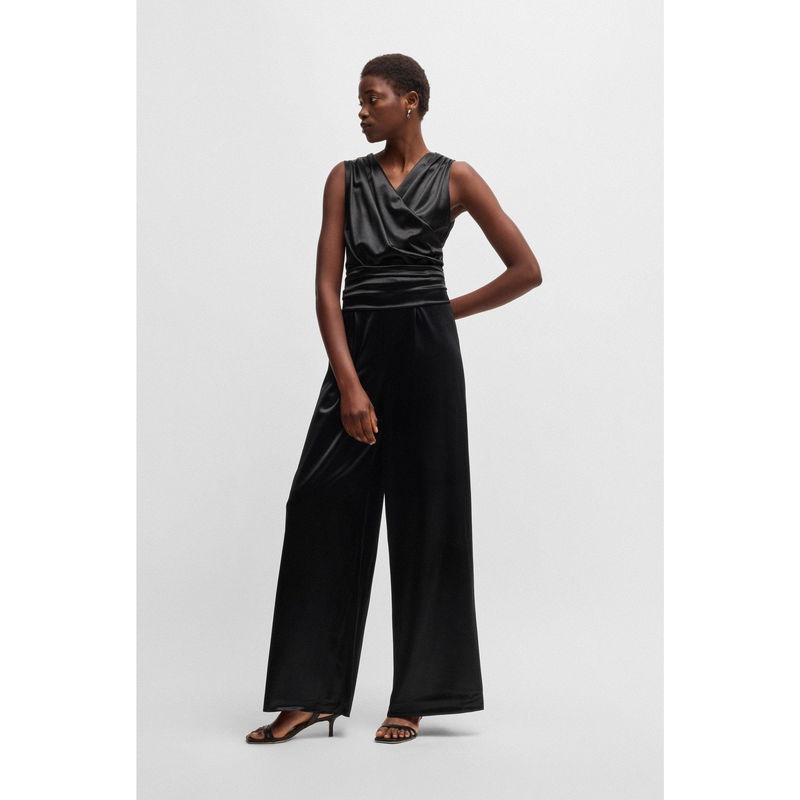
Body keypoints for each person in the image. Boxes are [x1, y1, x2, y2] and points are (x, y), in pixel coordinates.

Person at [246, 53, 542, 746]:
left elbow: (526, 270)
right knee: (318, 507)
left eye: (371, 97)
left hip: (428, 361)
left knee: (429, 519)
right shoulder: (344, 178)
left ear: (410, 100)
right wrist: (349, 384)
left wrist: (442, 311)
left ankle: (416, 696)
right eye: (359, 99)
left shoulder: (457, 177)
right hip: (358, 354)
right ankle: (308, 696)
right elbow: (326, 289)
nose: (360, 110)